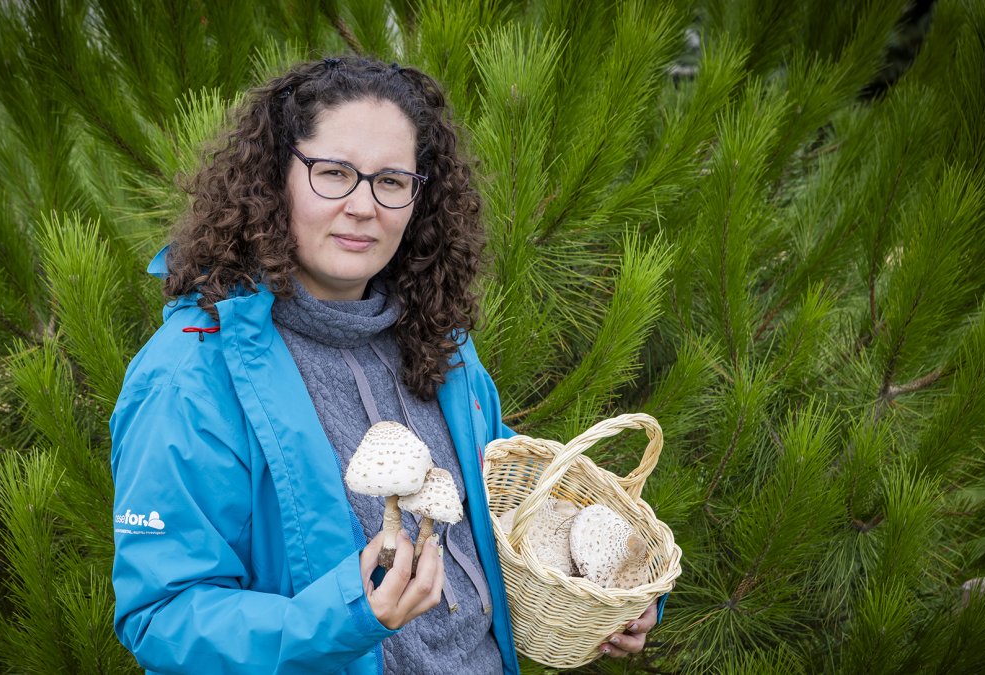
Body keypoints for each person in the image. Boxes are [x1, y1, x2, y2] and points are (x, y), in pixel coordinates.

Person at [110, 55, 660, 675]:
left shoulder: (439, 340)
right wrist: (348, 613)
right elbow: (161, 618)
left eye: (391, 181)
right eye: (334, 173)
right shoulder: (193, 374)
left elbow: (507, 507)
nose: (364, 205)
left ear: (419, 199)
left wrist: (617, 590)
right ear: (274, 178)